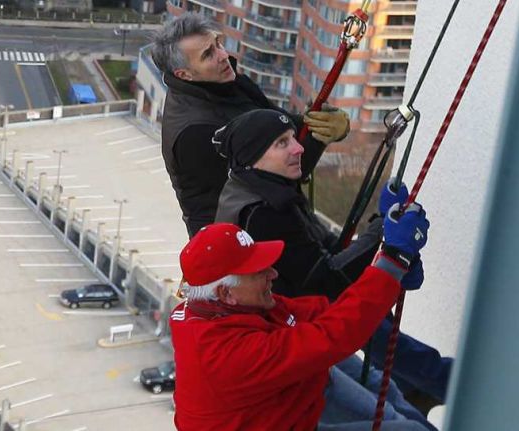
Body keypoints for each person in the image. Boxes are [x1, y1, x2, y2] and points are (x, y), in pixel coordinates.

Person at [214, 109, 451, 408]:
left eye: (293, 139)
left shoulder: (265, 190)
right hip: (294, 353)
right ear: (254, 158)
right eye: (282, 143)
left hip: (298, 329)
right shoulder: (262, 213)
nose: (300, 148)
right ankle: (444, 383)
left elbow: (327, 252)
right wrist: (386, 237)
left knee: (387, 381)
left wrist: (384, 236)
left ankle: (431, 383)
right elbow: (327, 282)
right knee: (390, 407)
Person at [171, 213, 431, 430]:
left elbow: (322, 313)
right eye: (259, 271)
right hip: (288, 419)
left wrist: (387, 274)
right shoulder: (227, 354)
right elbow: (333, 335)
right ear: (225, 292)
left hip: (289, 410)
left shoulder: (228, 310)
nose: (273, 273)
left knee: (394, 408)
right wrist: (392, 263)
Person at [151, 13, 350, 237]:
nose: (223, 55)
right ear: (184, 74)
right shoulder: (195, 133)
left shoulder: (228, 83)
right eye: (208, 54)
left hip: (262, 221)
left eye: (218, 44)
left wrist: (317, 119)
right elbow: (276, 176)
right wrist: (319, 136)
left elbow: (279, 123)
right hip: (233, 243)